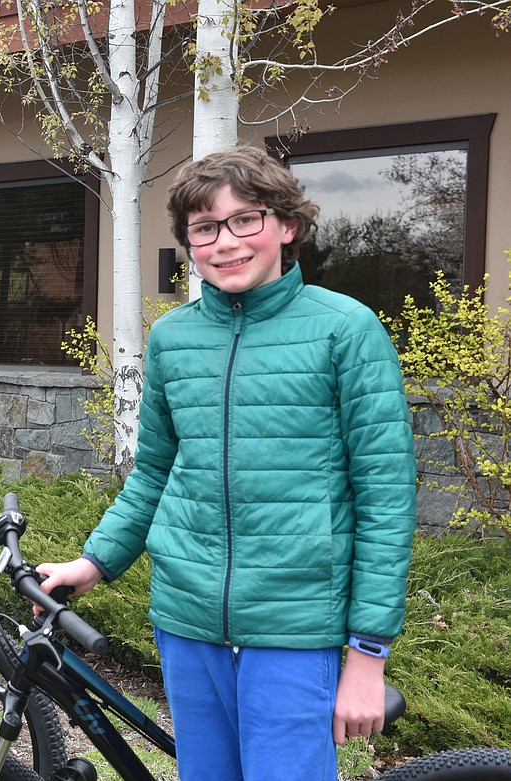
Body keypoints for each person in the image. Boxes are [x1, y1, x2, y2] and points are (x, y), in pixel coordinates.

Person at [37, 146, 417, 781]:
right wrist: (97, 560)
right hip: (186, 624)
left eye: (247, 219)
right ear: (189, 242)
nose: (225, 242)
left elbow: (385, 497)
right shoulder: (172, 339)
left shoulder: (345, 330)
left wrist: (368, 656)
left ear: (287, 226)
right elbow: (154, 471)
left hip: (295, 630)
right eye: (205, 228)